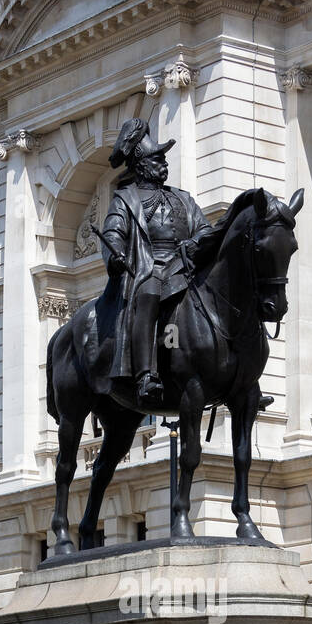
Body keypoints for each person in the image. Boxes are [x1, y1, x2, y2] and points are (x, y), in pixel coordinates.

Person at [100, 118, 216, 408]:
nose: (163, 163)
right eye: (157, 158)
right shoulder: (125, 199)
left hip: (184, 264)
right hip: (147, 267)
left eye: (163, 158)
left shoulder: (183, 199)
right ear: (141, 165)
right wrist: (115, 254)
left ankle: (240, 375)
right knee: (149, 292)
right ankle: (145, 375)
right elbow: (114, 232)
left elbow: (204, 229)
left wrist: (196, 243)